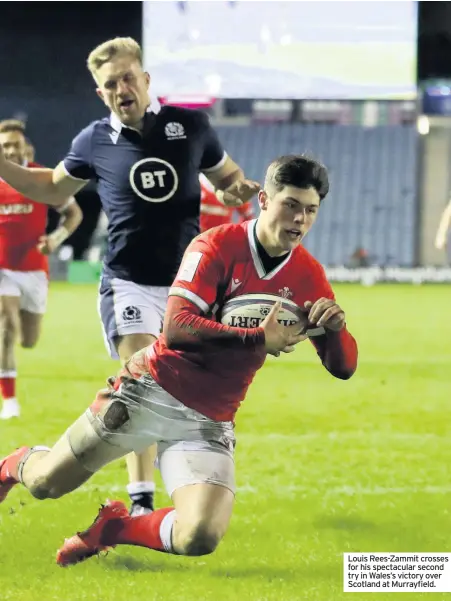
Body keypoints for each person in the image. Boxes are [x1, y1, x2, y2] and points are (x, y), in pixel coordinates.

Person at [0, 154, 358, 565]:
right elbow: (177, 327)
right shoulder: (216, 245)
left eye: (310, 210)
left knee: (200, 536)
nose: (299, 219)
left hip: (210, 419)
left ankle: (112, 528)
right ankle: (10, 465)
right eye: (290, 205)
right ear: (264, 199)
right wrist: (257, 337)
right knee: (46, 483)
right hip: (149, 392)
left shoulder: (308, 274)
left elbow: (343, 367)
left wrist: (335, 330)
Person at [0, 37, 259, 515]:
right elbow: (50, 185)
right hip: (128, 282)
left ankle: (48, 468)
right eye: (109, 84)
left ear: (145, 79)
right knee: (144, 381)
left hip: (188, 286)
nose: (121, 88)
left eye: (126, 77)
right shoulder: (94, 141)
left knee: (180, 389)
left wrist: (235, 189)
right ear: (101, 94)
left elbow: (227, 177)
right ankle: (141, 505)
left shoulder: (191, 126)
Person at [0, 119, 82, 419]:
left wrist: (56, 238)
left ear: (26, 147)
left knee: (28, 340)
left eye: (14, 144)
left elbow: (73, 213)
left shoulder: (40, 178)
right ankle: (9, 401)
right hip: (2, 269)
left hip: (34, 269)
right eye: (4, 145)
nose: (9, 149)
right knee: (6, 327)